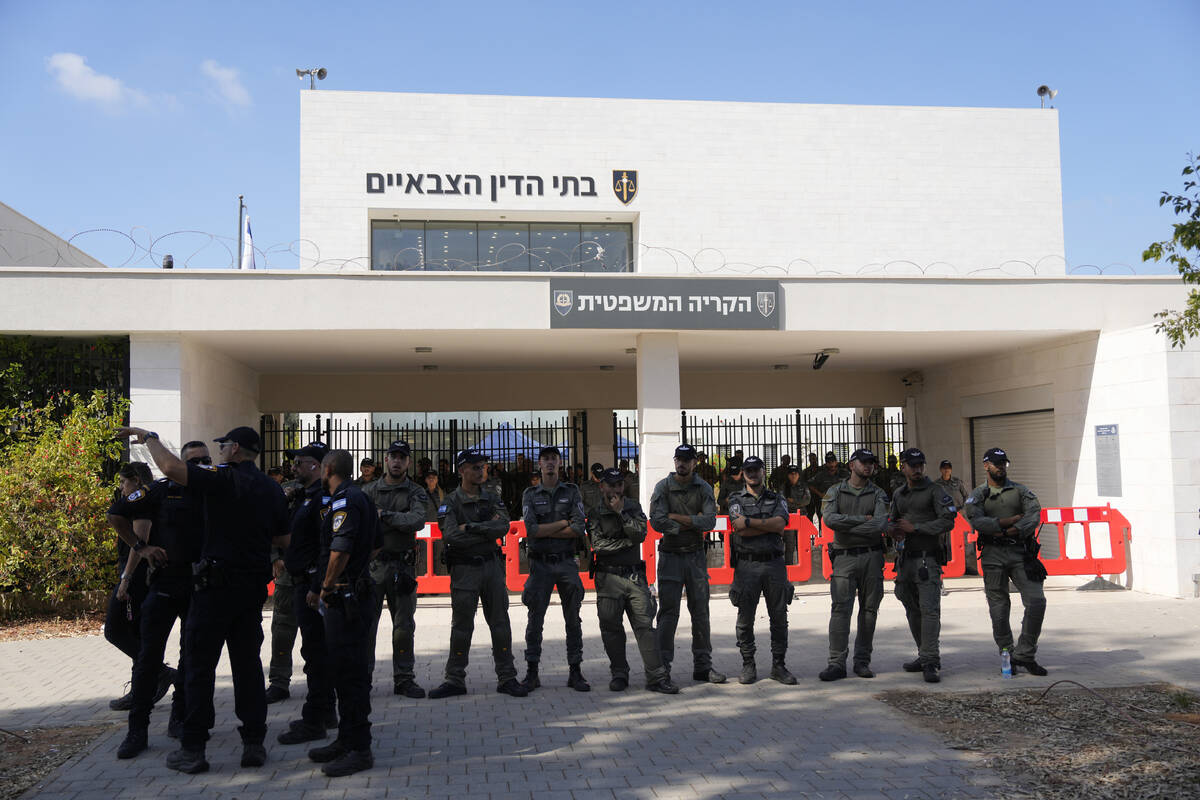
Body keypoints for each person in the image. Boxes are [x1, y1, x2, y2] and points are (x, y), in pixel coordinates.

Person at [116, 425, 288, 774]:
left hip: (215, 589)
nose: (219, 450)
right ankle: (253, 743)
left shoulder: (221, 478)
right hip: (251, 588)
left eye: (223, 445)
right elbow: (283, 538)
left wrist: (150, 437)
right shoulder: (272, 488)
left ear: (235, 448)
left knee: (198, 667)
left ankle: (193, 748)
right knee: (248, 666)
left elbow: (169, 468)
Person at [112, 449, 205, 759]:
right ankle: (136, 730)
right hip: (164, 584)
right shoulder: (158, 491)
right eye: (190, 459)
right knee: (148, 660)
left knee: (191, 657)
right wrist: (141, 547)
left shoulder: (211, 490)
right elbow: (117, 514)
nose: (195, 465)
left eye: (202, 460)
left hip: (197, 586)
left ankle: (179, 718)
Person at [428, 449, 528, 699]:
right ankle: (454, 679)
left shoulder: (492, 497)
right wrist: (485, 530)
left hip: (491, 567)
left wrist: (471, 526)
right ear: (461, 470)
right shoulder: (451, 501)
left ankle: (507, 677)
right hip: (464, 570)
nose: (481, 470)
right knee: (461, 626)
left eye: (482, 466)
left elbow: (503, 526)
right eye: (475, 467)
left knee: (500, 624)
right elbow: (451, 535)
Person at [304, 449, 379, 777]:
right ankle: (346, 739)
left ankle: (359, 748)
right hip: (351, 593)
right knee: (343, 670)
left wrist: (326, 586)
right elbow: (374, 543)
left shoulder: (344, 500)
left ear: (329, 468)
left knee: (350, 674)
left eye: (321, 468)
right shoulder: (358, 496)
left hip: (344, 597)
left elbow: (340, 549)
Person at [589, 468, 678, 694]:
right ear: (602, 487)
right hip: (608, 577)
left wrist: (621, 514)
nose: (615, 490)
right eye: (610, 485)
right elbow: (599, 546)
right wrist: (627, 543)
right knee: (611, 628)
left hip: (634, 577)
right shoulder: (596, 512)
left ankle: (656, 677)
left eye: (619, 485)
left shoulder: (633, 507)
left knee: (645, 626)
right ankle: (619, 673)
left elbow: (640, 535)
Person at [274, 441, 338, 748]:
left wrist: (318, 587)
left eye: (299, 462)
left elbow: (329, 546)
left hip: (312, 584)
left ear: (317, 465)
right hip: (302, 581)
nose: (294, 467)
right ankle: (324, 712)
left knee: (316, 653)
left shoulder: (323, 500)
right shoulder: (305, 496)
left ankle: (315, 718)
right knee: (314, 652)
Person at [964, 447, 1048, 676]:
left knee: (1036, 601)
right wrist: (1006, 521)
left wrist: (1013, 530)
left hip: (1021, 553)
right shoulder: (979, 494)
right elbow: (975, 519)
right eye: (996, 463)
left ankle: (1025, 653)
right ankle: (1007, 654)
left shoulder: (1020, 491)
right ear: (986, 465)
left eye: (1003, 463)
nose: (1000, 467)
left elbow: (1034, 514)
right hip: (992, 555)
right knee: (999, 609)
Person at [649, 443, 725, 685]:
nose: (681, 463)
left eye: (686, 459)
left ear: (694, 463)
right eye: (678, 459)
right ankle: (663, 669)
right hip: (670, 556)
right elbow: (657, 521)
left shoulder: (702, 488)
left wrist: (677, 518)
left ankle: (703, 667)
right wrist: (690, 522)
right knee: (668, 614)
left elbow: (710, 521)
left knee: (700, 613)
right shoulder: (663, 487)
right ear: (675, 461)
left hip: (695, 557)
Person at [104, 462, 174, 714]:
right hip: (134, 575)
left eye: (123, 482)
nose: (122, 488)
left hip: (137, 576)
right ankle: (140, 690)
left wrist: (126, 579)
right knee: (136, 634)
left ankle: (159, 672)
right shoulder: (141, 502)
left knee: (114, 630)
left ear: (135, 480)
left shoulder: (142, 506)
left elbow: (139, 545)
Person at [363, 440, 430, 698]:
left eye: (403, 457)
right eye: (394, 456)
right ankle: (363, 678)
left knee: (403, 626)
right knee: (367, 625)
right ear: (386, 459)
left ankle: (404, 678)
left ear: (408, 462)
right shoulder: (368, 491)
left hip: (402, 567)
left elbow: (417, 520)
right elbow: (364, 524)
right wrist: (393, 520)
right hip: (373, 567)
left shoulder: (416, 491)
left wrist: (385, 517)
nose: (398, 461)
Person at [520, 446, 589, 691]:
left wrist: (546, 528)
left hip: (566, 561)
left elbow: (580, 527)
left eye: (553, 459)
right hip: (540, 564)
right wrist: (562, 523)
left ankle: (575, 671)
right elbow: (531, 530)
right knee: (535, 619)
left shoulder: (571, 492)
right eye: (545, 459)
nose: (550, 463)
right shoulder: (530, 494)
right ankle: (532, 672)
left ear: (560, 463)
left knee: (573, 618)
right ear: (539, 464)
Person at [818, 448, 889, 682]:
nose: (868, 466)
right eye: (863, 462)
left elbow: (879, 524)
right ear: (851, 465)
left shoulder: (879, 493)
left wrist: (847, 525)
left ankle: (862, 662)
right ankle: (836, 663)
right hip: (844, 558)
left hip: (872, 557)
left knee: (869, 611)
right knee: (840, 610)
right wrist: (862, 520)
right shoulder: (835, 491)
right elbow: (829, 520)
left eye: (871, 463)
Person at [888, 447, 957, 683]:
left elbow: (948, 521)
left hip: (928, 558)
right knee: (910, 606)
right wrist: (894, 531)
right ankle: (923, 653)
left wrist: (916, 528)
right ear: (903, 467)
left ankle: (931, 661)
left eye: (920, 465)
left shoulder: (935, 491)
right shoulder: (899, 494)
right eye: (912, 466)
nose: (917, 469)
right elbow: (894, 519)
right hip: (906, 559)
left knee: (929, 610)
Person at [726, 456, 796, 685]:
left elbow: (780, 525)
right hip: (747, 566)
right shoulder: (735, 499)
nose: (752, 474)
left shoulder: (777, 498)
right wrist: (765, 526)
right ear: (744, 473)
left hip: (774, 565)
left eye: (756, 470)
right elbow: (739, 530)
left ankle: (779, 665)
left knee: (779, 618)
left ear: (763, 472)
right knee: (745, 619)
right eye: (749, 470)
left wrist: (750, 522)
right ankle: (748, 665)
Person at [808, 452, 846, 523]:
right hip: (826, 506)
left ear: (836, 462)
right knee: (824, 525)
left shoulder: (844, 473)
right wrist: (820, 494)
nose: (831, 464)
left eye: (833, 461)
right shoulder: (821, 475)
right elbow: (810, 485)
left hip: (841, 504)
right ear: (826, 463)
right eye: (829, 462)